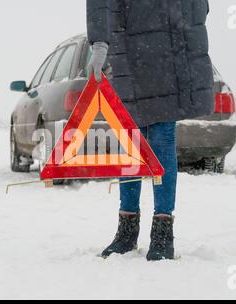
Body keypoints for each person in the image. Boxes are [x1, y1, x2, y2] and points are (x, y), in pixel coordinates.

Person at [87, 0, 214, 261]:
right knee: (130, 140)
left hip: (169, 46)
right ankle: (127, 231)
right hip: (129, 47)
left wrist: (188, 16)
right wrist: (100, 42)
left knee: (162, 137)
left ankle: (162, 235)